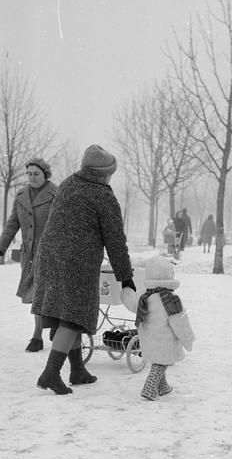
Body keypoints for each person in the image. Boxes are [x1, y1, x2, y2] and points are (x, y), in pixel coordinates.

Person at [31, 144, 135, 395]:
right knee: (73, 317)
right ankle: (51, 373)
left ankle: (77, 370)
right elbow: (115, 241)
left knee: (70, 314)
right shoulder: (103, 194)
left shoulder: (68, 183)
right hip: (76, 263)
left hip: (50, 258)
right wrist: (126, 277)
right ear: (104, 173)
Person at [0, 158, 57, 352]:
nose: (32, 178)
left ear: (45, 174)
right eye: (29, 174)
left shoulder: (56, 194)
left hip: (51, 255)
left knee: (50, 294)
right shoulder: (21, 196)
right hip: (29, 256)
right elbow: (12, 224)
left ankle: (52, 327)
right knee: (37, 294)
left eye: (36, 174)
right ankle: (38, 335)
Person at [120, 256, 195, 401]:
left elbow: (131, 302)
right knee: (161, 363)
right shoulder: (171, 299)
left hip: (148, 339)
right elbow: (181, 322)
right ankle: (150, 388)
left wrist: (126, 291)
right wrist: (188, 339)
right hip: (165, 340)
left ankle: (162, 386)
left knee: (158, 360)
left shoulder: (144, 296)